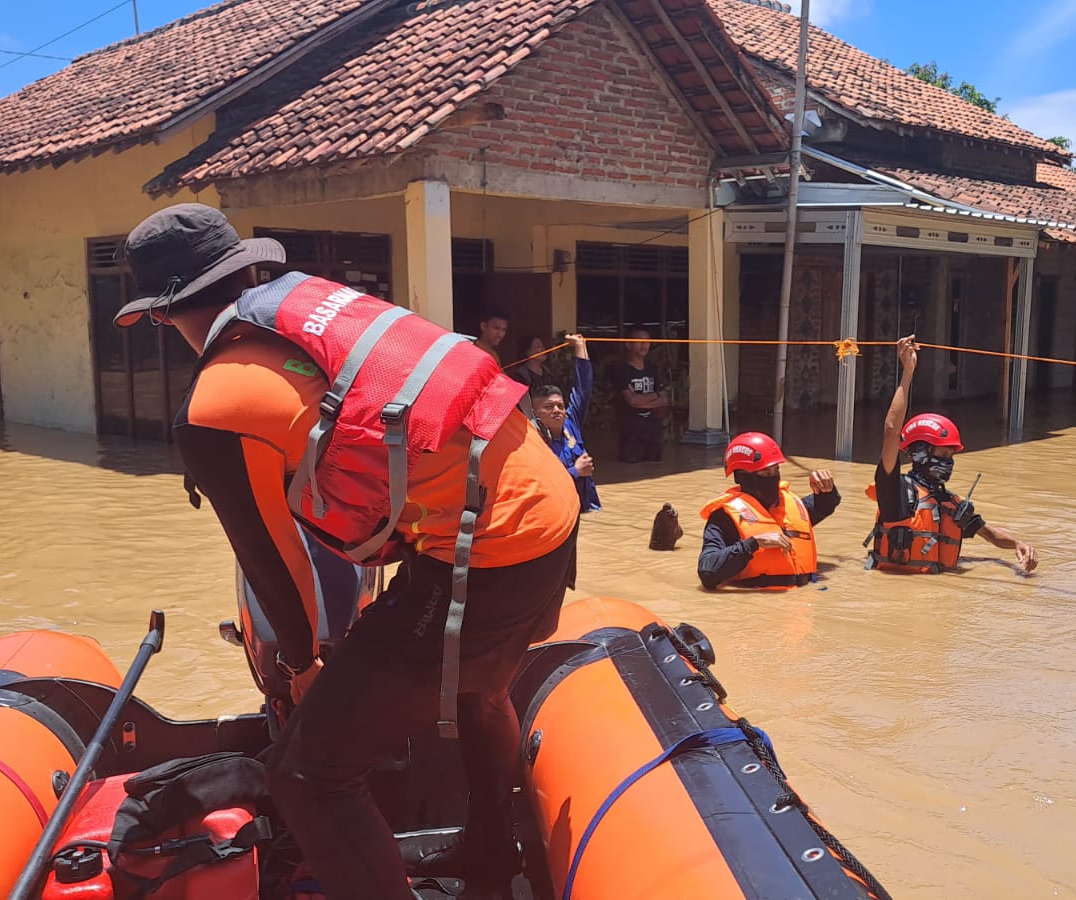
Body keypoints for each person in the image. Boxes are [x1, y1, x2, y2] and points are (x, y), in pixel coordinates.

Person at [111, 204, 579, 898]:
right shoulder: (320, 307)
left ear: (158, 314)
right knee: (483, 688)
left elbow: (274, 562)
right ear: (243, 274)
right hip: (550, 507)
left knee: (308, 776)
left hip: (485, 552)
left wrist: (303, 664)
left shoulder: (211, 407)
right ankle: (489, 853)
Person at [866, 336, 1038, 574]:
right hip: (902, 598)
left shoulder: (951, 503)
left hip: (934, 603)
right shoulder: (895, 492)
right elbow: (891, 431)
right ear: (920, 454)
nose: (947, 462)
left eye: (950, 456)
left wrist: (1017, 544)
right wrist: (907, 373)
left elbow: (989, 534)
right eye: (942, 454)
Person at [697, 432, 839, 589]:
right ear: (742, 477)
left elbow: (825, 505)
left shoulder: (789, 504)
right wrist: (754, 543)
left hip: (804, 603)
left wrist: (826, 488)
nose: (772, 478)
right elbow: (707, 571)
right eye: (765, 473)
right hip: (757, 607)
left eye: (775, 471)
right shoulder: (724, 518)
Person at [531, 333, 600, 512]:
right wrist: (576, 471)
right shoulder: (531, 443)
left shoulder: (571, 423)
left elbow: (583, 388)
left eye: (560, 406)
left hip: (585, 509)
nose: (556, 410)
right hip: (558, 514)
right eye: (549, 407)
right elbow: (538, 486)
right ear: (535, 413)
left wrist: (580, 345)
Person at [610, 328, 669, 463]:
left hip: (653, 427)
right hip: (631, 428)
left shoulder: (653, 368)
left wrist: (642, 400)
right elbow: (632, 402)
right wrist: (654, 396)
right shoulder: (622, 370)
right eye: (639, 341)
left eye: (647, 341)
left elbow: (664, 400)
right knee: (630, 466)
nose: (644, 345)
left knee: (654, 465)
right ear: (628, 344)